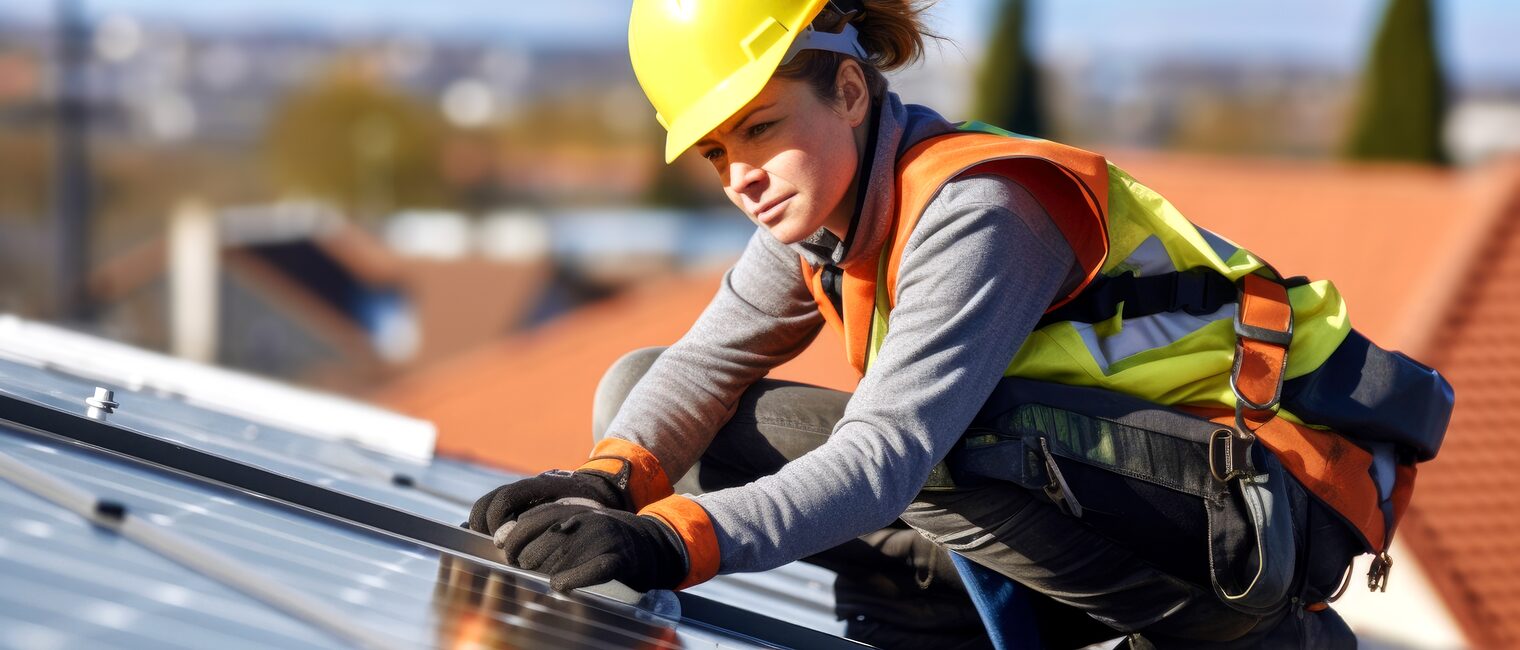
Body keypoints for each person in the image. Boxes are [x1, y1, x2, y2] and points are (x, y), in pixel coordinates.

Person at [467, 1, 1401, 647]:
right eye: (715, 150)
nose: (738, 174)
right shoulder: (824, 208)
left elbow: (883, 457)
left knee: (945, 448)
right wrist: (604, 485)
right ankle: (941, 614)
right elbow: (706, 361)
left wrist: (676, 540)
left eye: (758, 128)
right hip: (1118, 492)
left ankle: (1237, 641)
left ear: (848, 90)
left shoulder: (979, 209)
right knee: (641, 388)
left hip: (1251, 514)